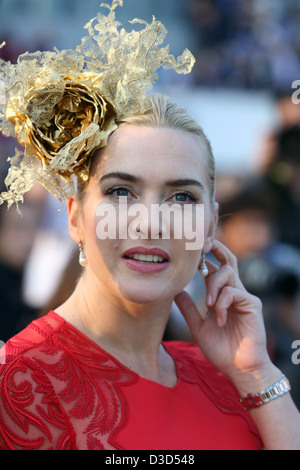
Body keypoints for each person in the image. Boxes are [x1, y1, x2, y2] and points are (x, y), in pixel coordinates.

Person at [0, 1, 300, 451]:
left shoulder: (228, 376)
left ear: (210, 225)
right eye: (121, 191)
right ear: (75, 216)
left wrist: (256, 374)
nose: (151, 222)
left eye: (182, 197)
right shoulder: (19, 381)